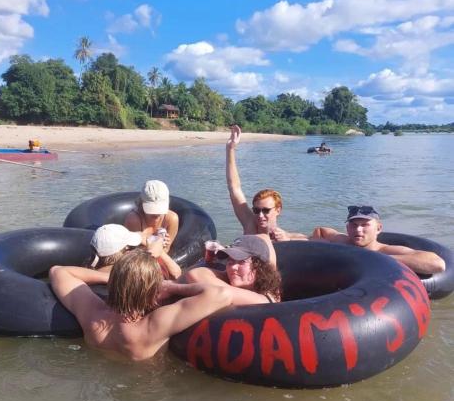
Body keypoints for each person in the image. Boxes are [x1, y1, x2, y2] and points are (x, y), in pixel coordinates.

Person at [49, 249, 270, 361]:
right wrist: (174, 288)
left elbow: (58, 271)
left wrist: (118, 279)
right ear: (151, 290)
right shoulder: (153, 325)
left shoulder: (93, 314)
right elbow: (220, 294)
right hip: (148, 388)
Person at [226, 125, 307, 242]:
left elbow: (313, 240)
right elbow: (234, 188)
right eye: (256, 210)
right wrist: (230, 149)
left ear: (278, 210)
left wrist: (288, 240)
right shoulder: (250, 225)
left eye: (266, 210)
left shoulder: (285, 237)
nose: (260, 215)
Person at [310, 205, 446, 275]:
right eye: (354, 225)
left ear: (379, 228)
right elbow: (321, 230)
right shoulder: (342, 241)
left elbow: (438, 264)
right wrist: (320, 248)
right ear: (347, 228)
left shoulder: (384, 250)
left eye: (365, 225)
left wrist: (376, 259)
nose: (358, 230)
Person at [185, 234, 282, 303]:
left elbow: (195, 275)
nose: (233, 267)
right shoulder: (237, 284)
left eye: (242, 261)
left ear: (259, 267)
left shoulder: (263, 299)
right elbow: (197, 273)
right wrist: (228, 273)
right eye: (230, 261)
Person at [88, 223, 181, 279]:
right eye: (129, 247)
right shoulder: (132, 273)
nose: (131, 249)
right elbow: (176, 274)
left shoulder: (89, 273)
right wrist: (160, 252)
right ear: (125, 251)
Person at [124, 180, 179, 252]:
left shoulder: (172, 219)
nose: (156, 214)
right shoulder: (134, 219)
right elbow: (133, 252)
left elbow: (167, 249)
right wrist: (153, 246)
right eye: (152, 208)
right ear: (141, 202)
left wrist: (163, 246)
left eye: (159, 208)